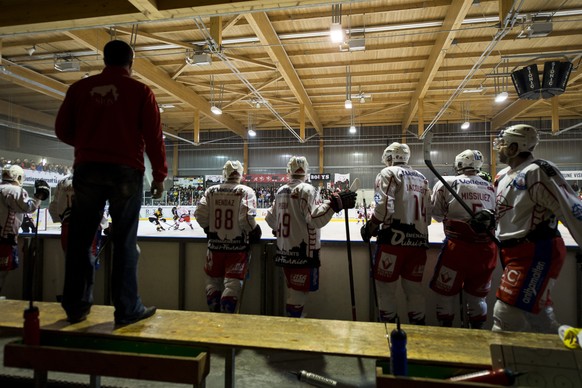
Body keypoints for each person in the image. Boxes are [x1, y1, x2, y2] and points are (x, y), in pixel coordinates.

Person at [55, 39, 167, 325]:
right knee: (125, 242)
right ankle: (127, 309)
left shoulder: (79, 89)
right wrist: (160, 175)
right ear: (131, 62)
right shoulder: (141, 91)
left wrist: (87, 146)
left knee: (81, 240)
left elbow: (62, 130)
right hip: (126, 172)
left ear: (105, 59)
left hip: (88, 169)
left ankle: (76, 306)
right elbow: (154, 138)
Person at [492, 124, 582, 333]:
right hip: (514, 252)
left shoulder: (537, 171)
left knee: (505, 315)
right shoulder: (503, 176)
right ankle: (562, 359)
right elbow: (510, 211)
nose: (499, 148)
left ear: (515, 147)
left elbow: (570, 208)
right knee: (538, 316)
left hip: (535, 251)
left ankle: (506, 363)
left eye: (503, 144)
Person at [265, 156, 356, 318]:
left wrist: (282, 231)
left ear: (289, 171)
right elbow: (315, 220)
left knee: (294, 292)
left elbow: (270, 219)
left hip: (285, 252)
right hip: (304, 253)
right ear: (306, 172)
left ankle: (295, 324)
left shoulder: (280, 191)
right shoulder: (307, 189)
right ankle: (293, 331)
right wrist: (334, 204)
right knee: (298, 295)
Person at [361, 142, 430, 324]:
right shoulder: (422, 178)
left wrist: (371, 226)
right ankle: (419, 335)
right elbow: (429, 216)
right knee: (415, 291)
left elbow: (382, 206)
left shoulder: (388, 173)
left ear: (391, 157)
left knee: (385, 290)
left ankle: (389, 332)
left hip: (393, 242)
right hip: (418, 242)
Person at [429, 149, 498, 329]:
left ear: (459, 164)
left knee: (445, 294)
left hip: (457, 249)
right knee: (477, 298)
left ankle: (448, 336)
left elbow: (436, 213)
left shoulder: (447, 182)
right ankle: (477, 337)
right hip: (486, 250)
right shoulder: (490, 186)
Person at [194, 160, 262, 313]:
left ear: (224, 173)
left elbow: (199, 214)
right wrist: (254, 231)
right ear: (241, 173)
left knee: (212, 283)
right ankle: (226, 321)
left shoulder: (211, 191)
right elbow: (245, 219)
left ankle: (214, 317)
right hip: (237, 248)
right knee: (232, 285)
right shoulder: (246, 191)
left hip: (214, 246)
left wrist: (208, 229)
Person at [0, 165, 48, 293]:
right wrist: (39, 196)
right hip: (4, 238)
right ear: (18, 177)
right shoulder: (14, 190)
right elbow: (28, 207)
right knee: (1, 273)